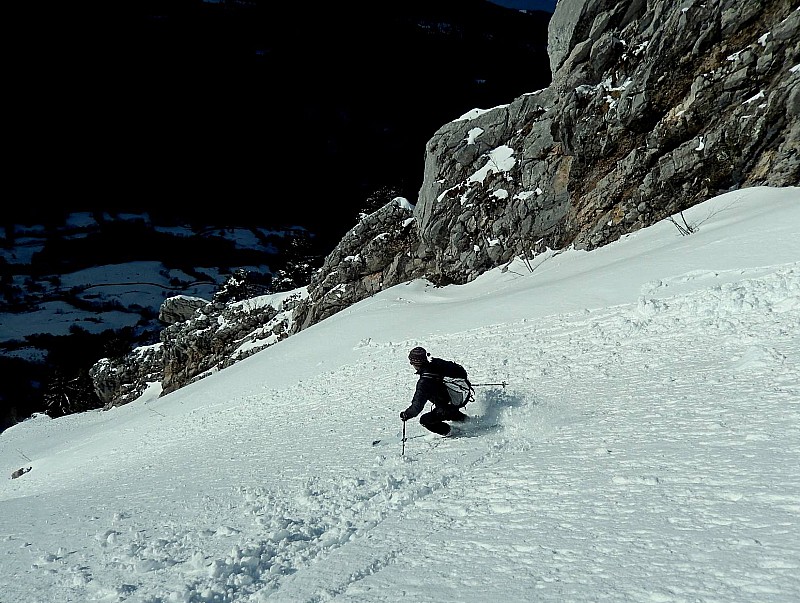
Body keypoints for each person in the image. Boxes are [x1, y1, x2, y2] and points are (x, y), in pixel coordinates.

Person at [400, 346, 469, 436]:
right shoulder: (436, 366)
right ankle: (470, 422)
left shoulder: (424, 382)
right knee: (449, 411)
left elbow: (417, 406)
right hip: (455, 397)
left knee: (425, 420)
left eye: (411, 362)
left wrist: (406, 414)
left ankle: (452, 432)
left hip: (447, 405)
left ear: (415, 363)